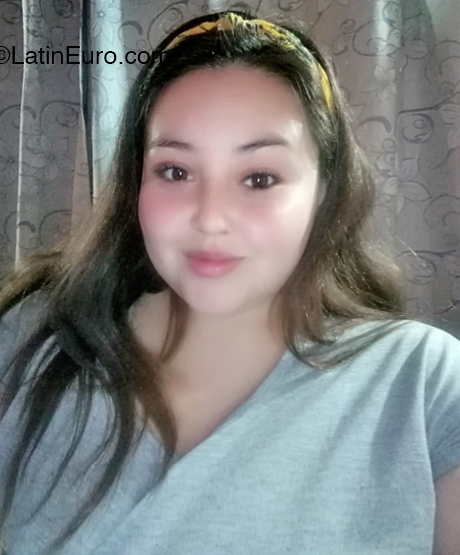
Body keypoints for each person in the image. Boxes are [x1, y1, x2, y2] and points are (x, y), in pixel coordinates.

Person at [0, 9, 459, 555]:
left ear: (323, 189)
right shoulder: (32, 342)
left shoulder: (422, 383)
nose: (211, 217)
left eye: (259, 178)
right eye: (175, 171)